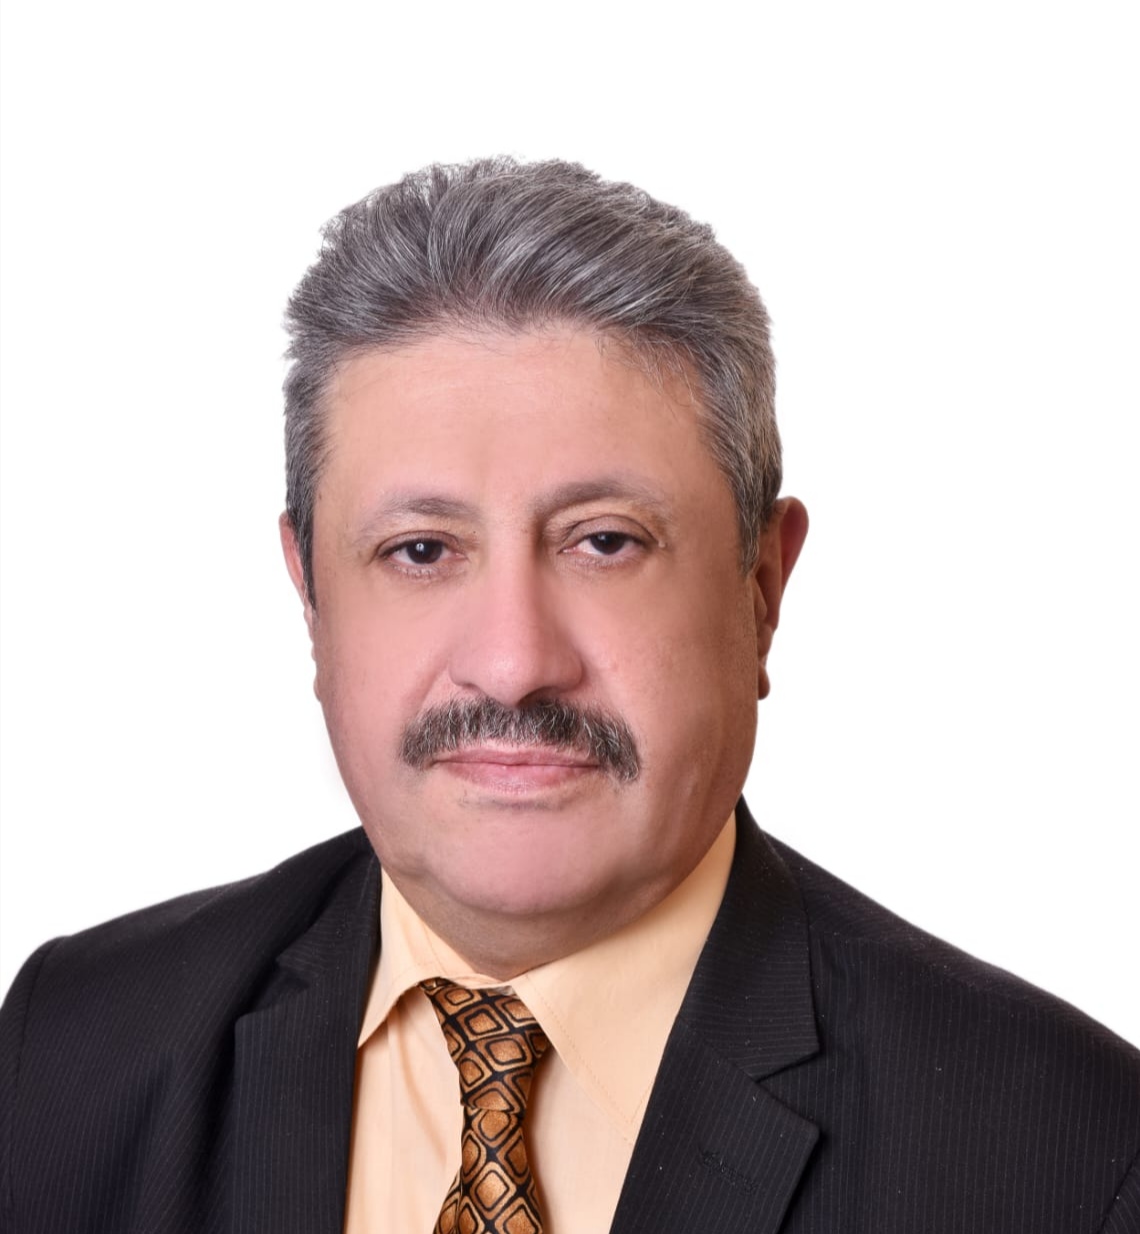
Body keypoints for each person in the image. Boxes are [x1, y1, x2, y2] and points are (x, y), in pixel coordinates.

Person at [1, 158, 1137, 1234]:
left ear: (761, 587)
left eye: (604, 542)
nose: (512, 664)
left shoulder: (1071, 1159)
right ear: (310, 597)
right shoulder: (66, 1052)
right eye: (420, 550)